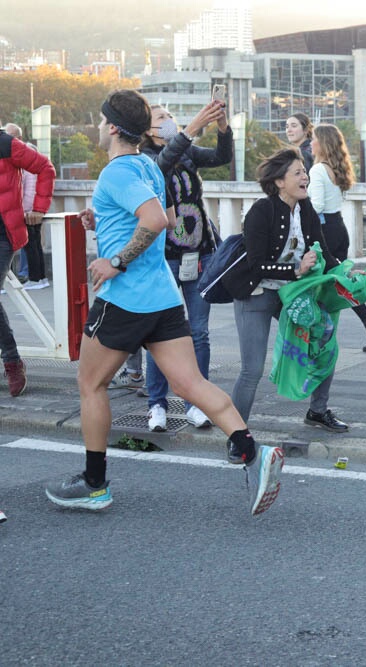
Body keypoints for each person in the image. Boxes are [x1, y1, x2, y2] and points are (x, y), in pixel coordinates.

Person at [43, 90, 282, 516]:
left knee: (90, 384)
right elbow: (167, 216)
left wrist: (115, 259)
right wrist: (105, 219)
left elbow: (155, 221)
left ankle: (95, 484)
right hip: (164, 298)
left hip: (126, 299)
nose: (99, 129)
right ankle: (251, 450)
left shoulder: (117, 172)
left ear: (114, 127)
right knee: (189, 385)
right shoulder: (149, 169)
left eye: (102, 123)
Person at [227, 148, 349, 433]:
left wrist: (345, 273)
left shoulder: (305, 208)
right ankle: (236, 432)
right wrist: (295, 271)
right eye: (298, 173)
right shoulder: (261, 210)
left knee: (325, 341)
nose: (305, 176)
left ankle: (318, 411)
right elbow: (256, 265)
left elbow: (323, 252)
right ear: (280, 182)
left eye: (305, 171)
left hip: (290, 294)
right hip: (255, 293)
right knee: (252, 369)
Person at [140, 100, 230, 432]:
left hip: (199, 252)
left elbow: (222, 157)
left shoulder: (188, 154)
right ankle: (157, 404)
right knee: (158, 332)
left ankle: (198, 401)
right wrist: (190, 131)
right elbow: (161, 165)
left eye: (170, 116)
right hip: (163, 258)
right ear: (148, 130)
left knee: (199, 333)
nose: (169, 121)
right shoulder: (146, 160)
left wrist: (222, 128)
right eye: (161, 118)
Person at [308, 123, 366, 353]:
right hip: (338, 227)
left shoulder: (316, 170)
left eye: (314, 139)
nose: (310, 143)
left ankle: (321, 336)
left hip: (324, 230)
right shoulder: (336, 169)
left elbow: (317, 205)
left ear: (322, 143)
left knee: (320, 285)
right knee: (340, 281)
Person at [0, 118, 55, 397]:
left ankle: (12, 361)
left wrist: (39, 208)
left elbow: (45, 167)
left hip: (3, 234)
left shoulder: (7, 143)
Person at [4, 124, 47, 290]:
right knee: (33, 245)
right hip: (31, 209)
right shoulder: (25, 153)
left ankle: (36, 279)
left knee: (30, 246)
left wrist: (27, 210)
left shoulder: (23, 154)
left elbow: (29, 187)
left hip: (28, 210)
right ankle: (38, 278)